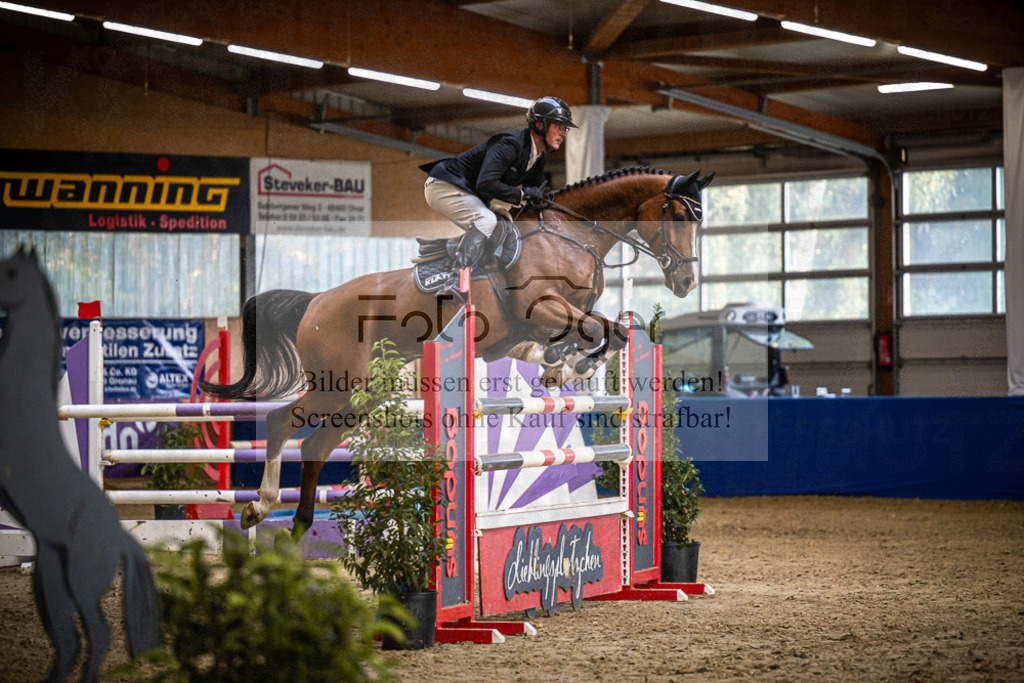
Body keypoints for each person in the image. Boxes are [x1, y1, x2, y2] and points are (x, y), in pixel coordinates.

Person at [421, 96, 576, 300]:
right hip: (443, 186)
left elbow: (533, 192)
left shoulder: (539, 155)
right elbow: (486, 183)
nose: (564, 133)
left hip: (468, 192)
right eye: (559, 126)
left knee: (503, 223)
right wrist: (521, 194)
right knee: (486, 221)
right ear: (540, 124)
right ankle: (455, 282)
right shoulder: (509, 145)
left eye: (566, 128)